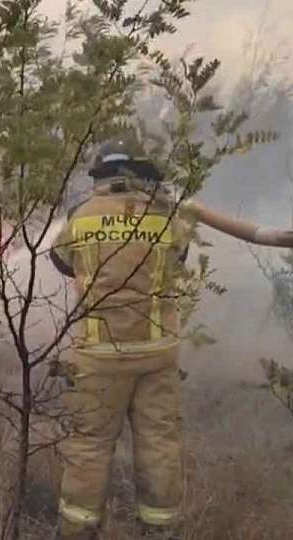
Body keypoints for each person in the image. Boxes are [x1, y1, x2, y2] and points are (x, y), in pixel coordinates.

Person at [50, 137, 191, 540]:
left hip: (99, 358)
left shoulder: (83, 216)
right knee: (159, 443)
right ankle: (160, 529)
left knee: (89, 447)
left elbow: (61, 261)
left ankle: (77, 530)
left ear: (100, 173)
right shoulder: (166, 217)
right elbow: (179, 259)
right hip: (156, 355)